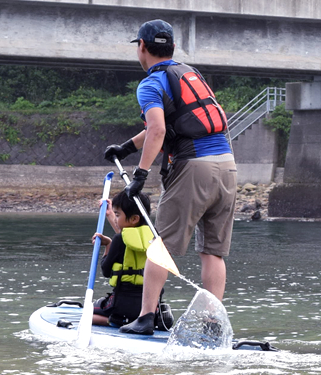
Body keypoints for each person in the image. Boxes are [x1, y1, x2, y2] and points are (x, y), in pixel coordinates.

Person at [104, 19, 237, 335]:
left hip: (194, 168)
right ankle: (211, 325)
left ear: (143, 47)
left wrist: (140, 173)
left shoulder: (150, 83)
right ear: (173, 48)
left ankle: (146, 318)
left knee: (158, 245)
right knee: (213, 252)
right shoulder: (190, 74)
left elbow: (159, 129)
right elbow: (172, 124)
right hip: (227, 165)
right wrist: (126, 147)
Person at [92, 190, 173, 330]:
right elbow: (130, 240)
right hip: (149, 308)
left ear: (134, 219)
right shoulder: (155, 236)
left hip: (121, 307)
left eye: (118, 215)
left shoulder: (118, 240)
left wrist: (108, 245)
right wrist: (110, 215)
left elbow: (106, 270)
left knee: (88, 313)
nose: (116, 219)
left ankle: (114, 321)